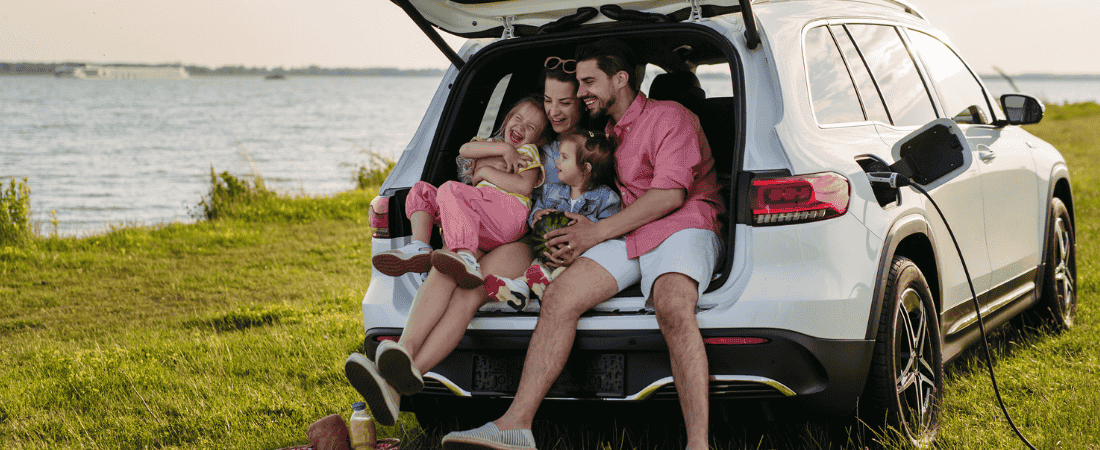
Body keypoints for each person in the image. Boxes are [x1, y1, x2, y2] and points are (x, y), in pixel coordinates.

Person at [442, 38, 724, 450]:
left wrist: (592, 234)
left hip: (683, 224)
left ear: (621, 79)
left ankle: (697, 445)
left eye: (589, 81)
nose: (582, 92)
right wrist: (578, 226)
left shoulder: (670, 117)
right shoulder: (605, 133)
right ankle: (515, 426)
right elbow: (594, 192)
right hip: (629, 232)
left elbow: (669, 197)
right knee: (558, 297)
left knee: (672, 304)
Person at [345, 95, 551, 427]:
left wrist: (484, 169)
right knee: (442, 272)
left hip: (516, 236)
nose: (521, 127)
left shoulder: (539, 151)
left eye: (532, 126)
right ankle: (401, 360)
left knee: (465, 295)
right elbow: (466, 150)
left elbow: (515, 183)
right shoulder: (498, 145)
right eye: (517, 118)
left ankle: (404, 377)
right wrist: (490, 159)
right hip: (480, 220)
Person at [484, 129, 621, 311]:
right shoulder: (552, 191)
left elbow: (610, 232)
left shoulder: (607, 198)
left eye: (564, 157)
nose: (557, 161)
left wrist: (590, 229)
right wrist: (536, 217)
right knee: (537, 266)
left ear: (586, 168)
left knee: (561, 274)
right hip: (549, 254)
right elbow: (537, 210)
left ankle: (545, 288)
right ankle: (520, 289)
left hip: (581, 259)